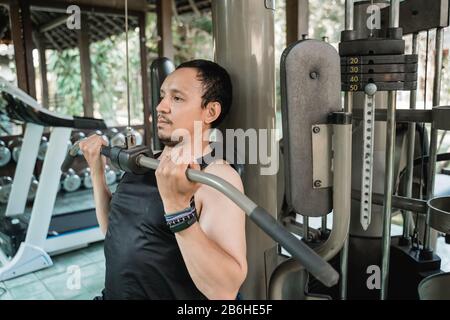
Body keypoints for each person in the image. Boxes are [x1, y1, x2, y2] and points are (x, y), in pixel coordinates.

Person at [80, 60, 247, 300]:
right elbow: (113, 231)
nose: (161, 107)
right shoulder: (145, 162)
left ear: (210, 111)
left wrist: (177, 207)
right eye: (162, 96)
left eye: (177, 98)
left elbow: (225, 291)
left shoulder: (215, 176)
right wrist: (97, 171)